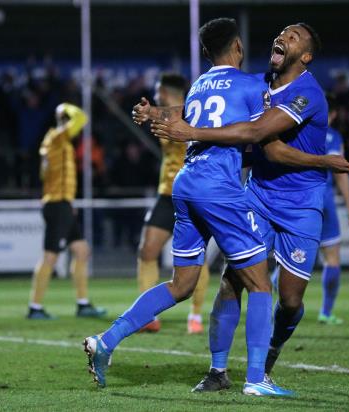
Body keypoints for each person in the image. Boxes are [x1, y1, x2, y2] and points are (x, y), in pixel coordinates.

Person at [84, 18, 293, 396]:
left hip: (185, 183)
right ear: (238, 48)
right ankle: (257, 379)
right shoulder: (251, 84)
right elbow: (259, 130)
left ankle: (106, 340)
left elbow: (188, 110)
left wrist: (155, 113)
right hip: (219, 188)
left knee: (182, 284)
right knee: (260, 283)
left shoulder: (199, 86)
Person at [151, 23, 349, 388]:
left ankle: (272, 347)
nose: (283, 37)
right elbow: (198, 107)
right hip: (259, 194)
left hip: (301, 206)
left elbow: (262, 137)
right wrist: (159, 113)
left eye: (293, 37)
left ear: (305, 56)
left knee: (290, 300)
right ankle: (217, 371)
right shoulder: (262, 82)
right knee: (233, 280)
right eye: (283, 33)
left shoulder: (307, 93)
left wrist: (188, 131)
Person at [137, 73, 210, 334]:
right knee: (147, 250)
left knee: (196, 257)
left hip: (192, 192)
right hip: (166, 192)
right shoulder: (163, 112)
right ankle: (147, 315)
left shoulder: (193, 109)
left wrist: (152, 113)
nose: (156, 97)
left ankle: (196, 316)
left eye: (158, 93)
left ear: (166, 93)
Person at [27, 103, 106, 320]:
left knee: (81, 251)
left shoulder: (54, 142)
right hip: (57, 204)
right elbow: (81, 117)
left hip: (62, 204)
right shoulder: (58, 138)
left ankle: (82, 304)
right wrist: (65, 107)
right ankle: (34, 307)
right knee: (50, 258)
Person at [316, 94, 349, 325]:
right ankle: (325, 311)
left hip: (295, 201)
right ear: (332, 114)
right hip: (323, 201)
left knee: (289, 258)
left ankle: (274, 305)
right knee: (332, 258)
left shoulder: (295, 131)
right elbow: (340, 172)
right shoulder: (332, 136)